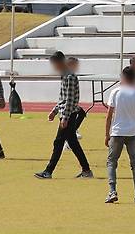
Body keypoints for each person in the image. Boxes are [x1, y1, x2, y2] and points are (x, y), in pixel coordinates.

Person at [35, 51, 93, 180]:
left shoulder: (69, 77)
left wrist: (65, 117)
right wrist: (55, 111)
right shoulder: (65, 76)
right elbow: (63, 98)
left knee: (59, 142)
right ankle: (86, 170)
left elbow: (70, 99)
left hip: (69, 115)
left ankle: (48, 171)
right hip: (66, 113)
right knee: (72, 143)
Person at [104, 65, 135, 204]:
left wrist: (107, 134)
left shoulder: (116, 92)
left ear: (123, 77)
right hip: (133, 132)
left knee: (112, 162)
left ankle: (112, 191)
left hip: (117, 131)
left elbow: (109, 115)